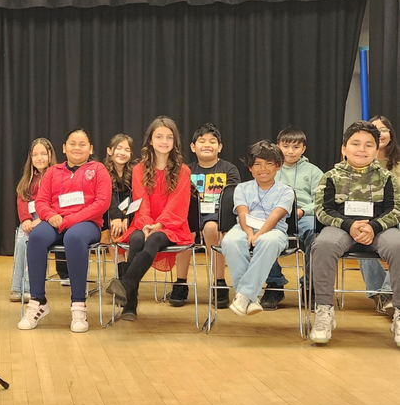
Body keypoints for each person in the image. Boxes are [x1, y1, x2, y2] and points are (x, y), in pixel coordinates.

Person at [310, 121, 400, 345]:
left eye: (369, 145)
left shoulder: (389, 178)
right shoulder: (330, 176)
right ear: (344, 149)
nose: (362, 149)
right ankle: (324, 311)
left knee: (398, 246)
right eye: (355, 144)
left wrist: (373, 227)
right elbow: (323, 210)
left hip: (378, 229)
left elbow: (395, 210)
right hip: (341, 228)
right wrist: (349, 225)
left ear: (376, 149)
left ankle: (398, 312)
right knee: (322, 245)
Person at [18, 128, 110, 333]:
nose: (77, 148)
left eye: (82, 144)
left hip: (86, 223)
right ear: (64, 147)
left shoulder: (98, 170)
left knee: (74, 238)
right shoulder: (53, 172)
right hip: (55, 220)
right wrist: (50, 216)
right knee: (37, 237)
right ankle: (38, 302)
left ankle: (78, 306)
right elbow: (41, 201)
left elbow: (102, 203)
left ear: (91, 148)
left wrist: (70, 220)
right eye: (72, 144)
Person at [107, 117, 193, 322]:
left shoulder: (183, 171)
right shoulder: (138, 170)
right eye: (159, 136)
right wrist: (147, 223)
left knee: (154, 239)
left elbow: (177, 204)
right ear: (150, 140)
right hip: (143, 221)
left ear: (175, 142)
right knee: (136, 239)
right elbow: (140, 200)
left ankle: (126, 286)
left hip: (171, 225)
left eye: (169, 137)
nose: (164, 141)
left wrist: (159, 224)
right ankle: (131, 304)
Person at [220, 141, 294, 318]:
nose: (263, 168)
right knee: (230, 240)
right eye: (258, 164)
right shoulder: (242, 188)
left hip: (274, 230)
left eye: (269, 164)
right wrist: (249, 233)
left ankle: (244, 296)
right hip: (244, 228)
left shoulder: (286, 191)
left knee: (267, 241)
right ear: (250, 168)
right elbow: (242, 212)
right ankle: (250, 299)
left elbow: (275, 217)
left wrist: (259, 234)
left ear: (278, 166)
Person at [171, 123, 240, 309]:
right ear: (193, 147)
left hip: (219, 218)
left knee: (211, 228)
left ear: (220, 147)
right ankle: (180, 283)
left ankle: (219, 282)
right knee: (184, 230)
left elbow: (232, 202)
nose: (207, 144)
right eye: (202, 141)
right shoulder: (185, 170)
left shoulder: (229, 169)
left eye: (212, 141)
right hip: (191, 217)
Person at [259, 127, 323, 310]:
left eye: (296, 147)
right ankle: (274, 285)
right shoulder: (268, 169)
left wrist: (303, 210)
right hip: (274, 216)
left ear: (303, 149)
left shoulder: (314, 172)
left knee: (316, 234)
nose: (290, 151)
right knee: (262, 234)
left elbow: (321, 200)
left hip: (303, 215)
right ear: (278, 147)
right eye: (286, 146)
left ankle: (310, 286)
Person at [358, 114, 400, 314]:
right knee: (357, 230)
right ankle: (382, 294)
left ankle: (386, 292)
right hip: (369, 214)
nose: (380, 133)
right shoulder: (359, 160)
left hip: (396, 215)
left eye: (384, 129)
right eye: (375, 129)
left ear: (390, 134)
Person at [11, 137, 57, 302]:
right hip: (30, 220)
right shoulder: (28, 180)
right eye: (35, 154)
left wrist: (41, 220)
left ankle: (31, 287)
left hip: (47, 220)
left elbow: (56, 203)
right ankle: (17, 287)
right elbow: (22, 201)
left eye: (43, 154)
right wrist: (25, 220)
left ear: (50, 155)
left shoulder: (57, 177)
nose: (39, 158)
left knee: (34, 242)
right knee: (22, 240)